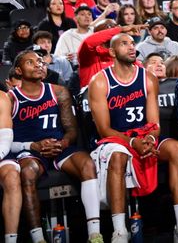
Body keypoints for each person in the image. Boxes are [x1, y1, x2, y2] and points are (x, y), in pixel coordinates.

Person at [87, 33, 178, 242]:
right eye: (124, 44)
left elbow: (154, 123)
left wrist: (151, 140)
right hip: (116, 140)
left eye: (132, 43)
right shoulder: (99, 82)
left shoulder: (148, 78)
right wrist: (133, 142)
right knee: (117, 155)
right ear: (112, 52)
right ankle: (119, 231)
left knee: (176, 149)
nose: (131, 47)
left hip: (144, 137)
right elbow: (104, 129)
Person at [9, 49, 103, 243]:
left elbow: (71, 129)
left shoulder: (59, 91)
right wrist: (33, 146)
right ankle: (38, 237)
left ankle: (95, 233)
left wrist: (63, 143)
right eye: (31, 62)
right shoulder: (10, 98)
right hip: (30, 150)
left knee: (87, 164)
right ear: (18, 70)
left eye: (41, 62)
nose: (39, 65)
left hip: (59, 148)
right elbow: (4, 139)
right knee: (27, 172)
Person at [0, 88, 21, 243]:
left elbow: (5, 138)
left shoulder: (1, 98)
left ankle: (11, 240)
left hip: (0, 152)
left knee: (12, 176)